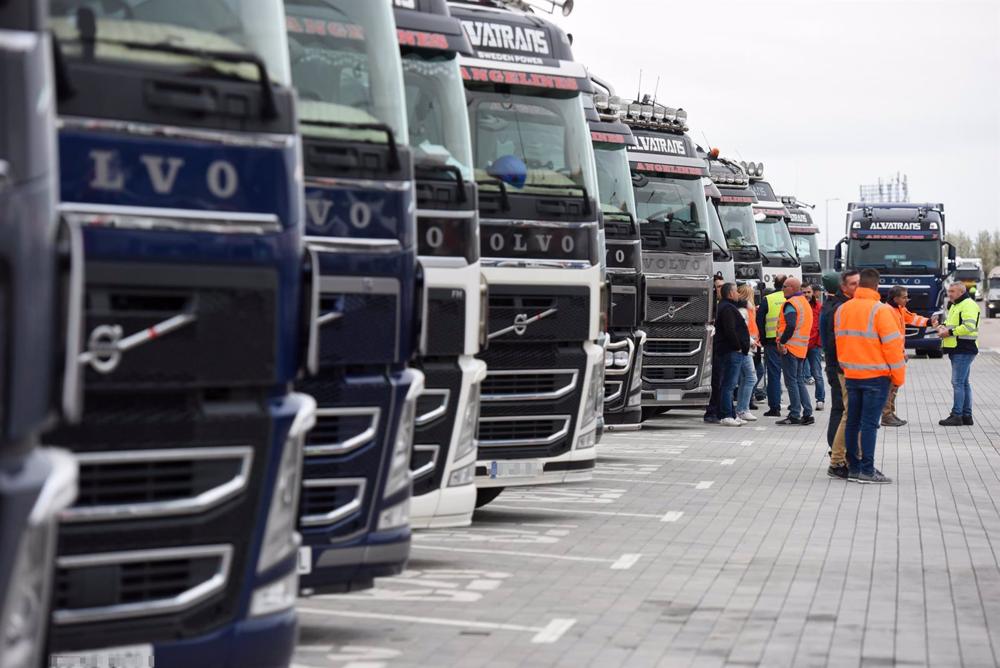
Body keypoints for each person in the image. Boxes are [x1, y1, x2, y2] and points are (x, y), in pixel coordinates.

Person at [835, 268, 905, 484]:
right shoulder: (881, 311)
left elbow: (840, 343)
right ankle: (867, 469)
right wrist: (898, 377)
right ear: (877, 286)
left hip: (852, 375)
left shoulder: (843, 309)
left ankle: (854, 468)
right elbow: (893, 348)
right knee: (869, 424)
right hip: (876, 377)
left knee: (853, 421)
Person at [820, 270, 859, 479]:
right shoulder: (839, 308)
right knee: (841, 411)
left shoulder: (831, 306)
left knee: (839, 410)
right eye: (854, 284)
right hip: (840, 367)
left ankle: (837, 453)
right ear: (841, 287)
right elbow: (834, 342)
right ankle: (837, 455)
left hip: (835, 365)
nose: (858, 288)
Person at [936, 282, 980, 425]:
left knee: (958, 383)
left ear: (961, 291)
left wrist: (948, 332)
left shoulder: (968, 305)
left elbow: (969, 326)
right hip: (958, 348)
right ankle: (966, 416)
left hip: (964, 348)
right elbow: (951, 325)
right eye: (949, 291)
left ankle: (957, 415)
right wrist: (940, 327)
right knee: (964, 383)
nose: (949, 294)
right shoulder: (956, 305)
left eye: (952, 291)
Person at [882, 285, 926, 427]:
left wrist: (930, 322)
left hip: (896, 354)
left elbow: (912, 318)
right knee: (889, 385)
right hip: (889, 356)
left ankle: (890, 413)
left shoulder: (899, 309)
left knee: (895, 385)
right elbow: (890, 338)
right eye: (904, 297)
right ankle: (886, 415)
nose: (907, 299)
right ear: (895, 298)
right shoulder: (887, 311)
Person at [775, 277, 814, 425]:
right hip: (801, 348)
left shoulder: (791, 304)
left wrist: (782, 341)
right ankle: (808, 413)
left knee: (791, 382)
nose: (782, 289)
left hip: (790, 348)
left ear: (792, 288)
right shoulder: (804, 303)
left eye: (784, 286)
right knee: (798, 381)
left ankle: (795, 414)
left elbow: (790, 325)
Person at [714, 283, 751, 426]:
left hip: (730, 351)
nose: (738, 294)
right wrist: (738, 347)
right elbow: (730, 330)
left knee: (729, 384)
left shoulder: (727, 307)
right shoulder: (727, 308)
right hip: (731, 351)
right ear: (730, 294)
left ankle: (731, 413)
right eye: (736, 292)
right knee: (728, 385)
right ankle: (726, 415)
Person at [757, 274, 787, 417]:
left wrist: (762, 340)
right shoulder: (791, 299)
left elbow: (759, 321)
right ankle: (796, 407)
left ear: (774, 284)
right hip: (791, 343)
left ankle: (775, 408)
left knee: (774, 375)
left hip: (771, 342)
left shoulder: (768, 299)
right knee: (794, 377)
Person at [735, 283, 759, 422]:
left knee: (746, 378)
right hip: (745, 347)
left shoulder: (746, 309)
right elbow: (743, 329)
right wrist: (751, 341)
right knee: (750, 378)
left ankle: (742, 409)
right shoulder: (744, 310)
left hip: (747, 346)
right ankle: (743, 409)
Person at [803, 283, 826, 410]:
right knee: (798, 376)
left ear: (812, 293)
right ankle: (801, 401)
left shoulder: (819, 307)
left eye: (808, 292)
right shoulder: (798, 306)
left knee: (817, 373)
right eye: (804, 292)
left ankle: (820, 399)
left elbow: (820, 327)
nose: (806, 295)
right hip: (800, 345)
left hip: (814, 346)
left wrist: (818, 343)